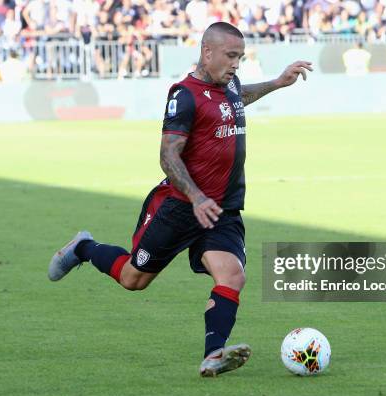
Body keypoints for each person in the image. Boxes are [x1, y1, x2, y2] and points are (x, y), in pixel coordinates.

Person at [48, 22, 312, 377]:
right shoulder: (183, 95)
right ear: (207, 52)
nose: (236, 64)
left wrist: (277, 83)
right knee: (133, 279)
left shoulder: (229, 84)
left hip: (222, 208)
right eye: (231, 56)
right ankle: (83, 248)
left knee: (232, 275)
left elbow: (238, 97)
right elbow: (168, 157)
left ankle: (213, 355)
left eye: (241, 57)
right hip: (181, 207)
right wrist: (197, 196)